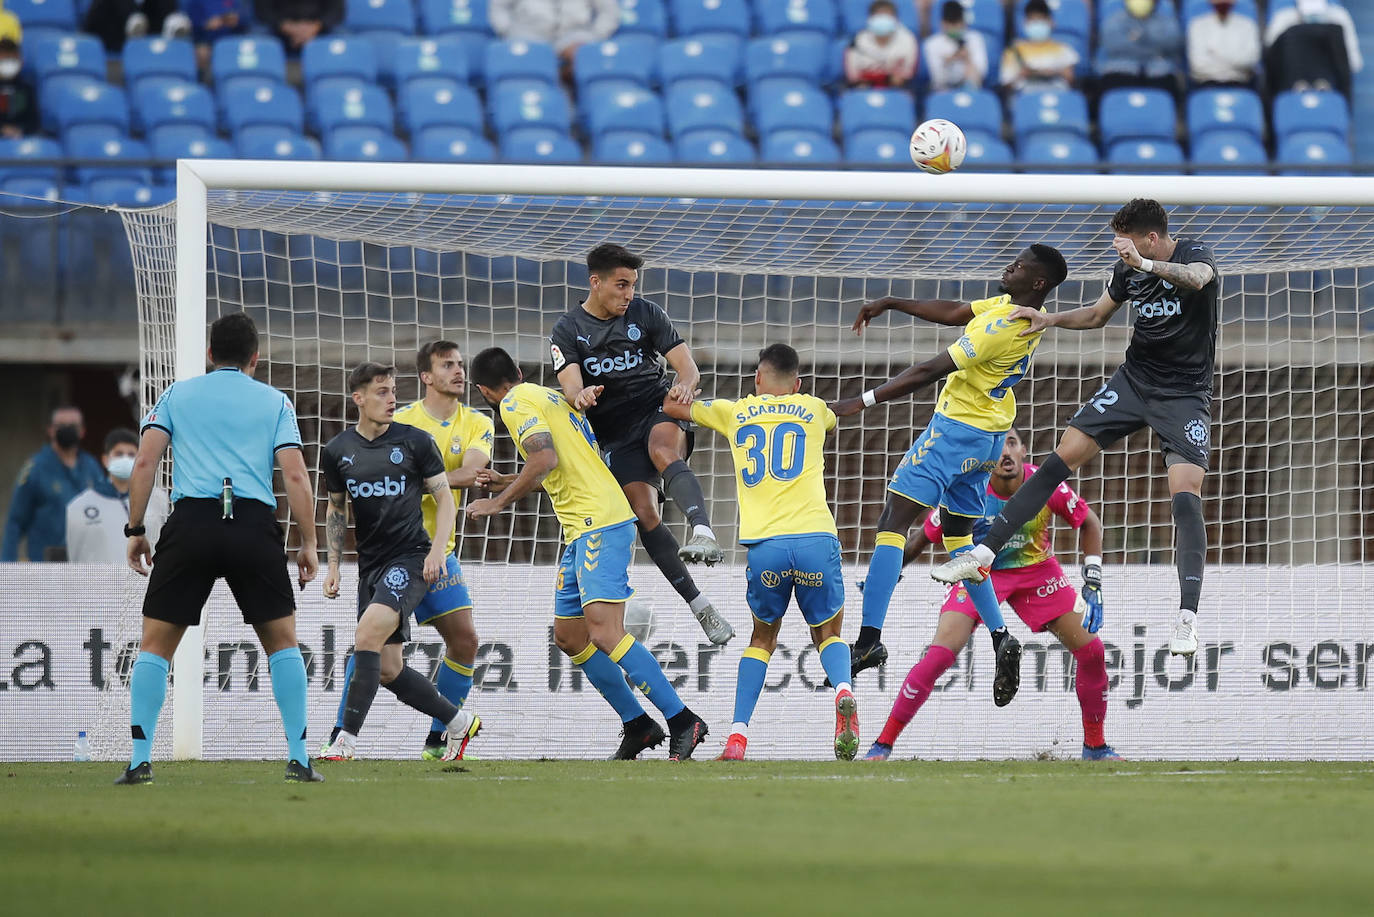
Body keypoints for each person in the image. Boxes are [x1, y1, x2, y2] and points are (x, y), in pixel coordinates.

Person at [933, 199, 1218, 660]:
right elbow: (1096, 315)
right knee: (1056, 462)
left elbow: (1199, 280)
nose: (1119, 249)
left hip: (1184, 395)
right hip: (1133, 382)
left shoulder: (1193, 253)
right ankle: (983, 555)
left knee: (1185, 494)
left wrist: (1146, 264)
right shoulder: (1126, 271)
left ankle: (1187, 618)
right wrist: (1050, 319)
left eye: (1127, 241)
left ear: (1149, 238)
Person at [831, 243, 1070, 708]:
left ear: (1038, 283)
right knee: (959, 536)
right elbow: (956, 311)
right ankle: (1001, 636)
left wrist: (856, 403)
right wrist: (893, 302)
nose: (1008, 266)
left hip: (956, 431)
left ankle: (869, 637)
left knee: (893, 522)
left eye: (1019, 266)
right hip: (989, 435)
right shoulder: (1012, 309)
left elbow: (929, 370)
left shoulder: (1003, 329)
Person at [468, 346, 710, 761]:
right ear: (520, 371)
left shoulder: (512, 403)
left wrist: (498, 502)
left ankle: (683, 719)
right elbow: (564, 465)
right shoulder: (550, 397)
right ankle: (638, 724)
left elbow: (543, 459)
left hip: (600, 522)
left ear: (483, 390)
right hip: (582, 527)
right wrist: (507, 479)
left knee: (605, 632)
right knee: (570, 635)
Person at [117, 312, 322, 784]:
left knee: (155, 646)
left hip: (192, 523)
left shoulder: (177, 394)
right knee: (282, 643)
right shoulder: (275, 400)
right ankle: (299, 757)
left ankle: (139, 761)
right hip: (252, 523)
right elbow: (294, 474)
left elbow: (145, 460)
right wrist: (309, 543)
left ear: (210, 355)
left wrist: (135, 529)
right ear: (255, 357)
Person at [863, 426, 1120, 762]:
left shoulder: (1043, 483)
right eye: (999, 446)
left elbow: (1090, 522)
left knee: (1093, 652)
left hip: (1037, 573)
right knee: (939, 654)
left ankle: (1096, 747)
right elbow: (922, 538)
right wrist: (889, 574)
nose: (1005, 453)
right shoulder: (968, 492)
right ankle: (882, 744)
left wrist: (1093, 578)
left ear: (1024, 451)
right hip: (979, 572)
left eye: (1012, 443)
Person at [662, 344, 858, 761]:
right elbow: (833, 419)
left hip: (765, 547)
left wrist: (681, 387)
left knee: (762, 639)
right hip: (815, 541)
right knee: (827, 634)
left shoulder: (734, 412)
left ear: (757, 378)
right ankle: (843, 690)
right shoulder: (814, 408)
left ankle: (737, 738)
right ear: (798, 383)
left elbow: (675, 410)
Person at [548, 243, 733, 645]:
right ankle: (700, 604)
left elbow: (687, 366)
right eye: (621, 284)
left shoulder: (646, 313)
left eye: (632, 284)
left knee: (662, 449)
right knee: (642, 511)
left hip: (657, 408)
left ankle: (702, 531)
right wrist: (579, 398)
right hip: (615, 434)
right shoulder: (567, 330)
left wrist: (684, 387)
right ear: (595, 283)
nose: (629, 293)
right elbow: (571, 384)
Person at [322, 341, 491, 761]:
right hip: (371, 565)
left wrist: (437, 551)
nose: (391, 398)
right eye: (382, 392)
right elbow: (336, 509)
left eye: (394, 391)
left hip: (414, 557)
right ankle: (456, 722)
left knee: (368, 636)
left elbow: (446, 498)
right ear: (358, 398)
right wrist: (333, 567)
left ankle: (344, 739)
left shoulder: (415, 441)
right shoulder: (338, 451)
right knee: (389, 666)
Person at [3, 406, 105, 563]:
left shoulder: (91, 466)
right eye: (61, 426)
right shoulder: (35, 468)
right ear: (50, 430)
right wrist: (7, 568)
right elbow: (15, 522)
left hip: (85, 565)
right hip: (45, 565)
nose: (67, 430)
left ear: (82, 431)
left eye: (72, 426)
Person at [66, 428, 170, 564]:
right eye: (119, 454)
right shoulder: (80, 505)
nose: (125, 459)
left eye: (131, 454)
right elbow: (75, 556)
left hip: (145, 580)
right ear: (105, 459)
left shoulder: (158, 498)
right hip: (100, 582)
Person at [489, 0, 620, 75]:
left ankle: (568, 103)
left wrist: (595, 36)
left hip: (572, 34)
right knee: (524, 54)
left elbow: (609, 11)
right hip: (529, 33)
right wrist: (507, 32)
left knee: (583, 55)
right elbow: (499, 8)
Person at [1264, 0, 1362, 96]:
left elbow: (1354, 62)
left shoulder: (1339, 17)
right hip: (1289, 83)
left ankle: (1324, 88)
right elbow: (1269, 59)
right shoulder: (1283, 18)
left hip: (1332, 83)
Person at [1095, 0, 1183, 96]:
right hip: (1121, 73)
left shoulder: (1167, 22)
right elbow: (1112, 45)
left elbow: (1173, 43)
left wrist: (1139, 38)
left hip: (1158, 75)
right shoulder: (1114, 21)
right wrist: (1153, 48)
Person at [1000, 0, 1079, 93]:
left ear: (1051, 22)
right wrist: (1022, 74)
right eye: (1032, 20)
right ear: (1025, 23)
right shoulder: (1013, 51)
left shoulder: (1064, 49)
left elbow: (1071, 79)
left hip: (1056, 93)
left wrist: (1055, 72)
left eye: (1041, 19)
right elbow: (1006, 85)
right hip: (1025, 96)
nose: (1037, 23)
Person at [1186, 0, 1261, 89]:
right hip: (1206, 85)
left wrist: (1214, 53)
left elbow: (1251, 60)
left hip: (1241, 85)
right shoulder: (1197, 26)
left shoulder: (1248, 25)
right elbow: (1197, 64)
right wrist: (1235, 61)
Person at [844, 0, 918, 89]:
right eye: (879, 15)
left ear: (896, 19)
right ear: (870, 18)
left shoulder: (908, 39)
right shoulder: (857, 40)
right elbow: (853, 76)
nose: (883, 19)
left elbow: (907, 73)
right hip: (863, 89)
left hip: (897, 89)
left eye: (887, 15)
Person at [922, 0, 989, 92]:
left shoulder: (975, 39)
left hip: (971, 89)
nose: (955, 29)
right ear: (943, 24)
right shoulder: (932, 44)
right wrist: (952, 59)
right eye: (951, 25)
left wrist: (967, 59)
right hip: (943, 91)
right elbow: (938, 79)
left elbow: (980, 76)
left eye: (959, 24)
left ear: (964, 23)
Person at [82, 0, 191, 53]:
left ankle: (170, 43)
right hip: (113, 51)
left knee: (175, 21)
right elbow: (90, 28)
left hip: (152, 51)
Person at [252, 0, 343, 52]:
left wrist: (315, 27)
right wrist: (287, 27)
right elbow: (263, 10)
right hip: (278, 33)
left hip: (319, 32)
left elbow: (336, 10)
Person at [0, 31, 39, 139]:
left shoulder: (26, 89)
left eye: (12, 59)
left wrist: (20, 130)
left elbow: (34, 123)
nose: (8, 63)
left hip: (22, 143)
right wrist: (2, 129)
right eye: (4, 59)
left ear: (20, 61)